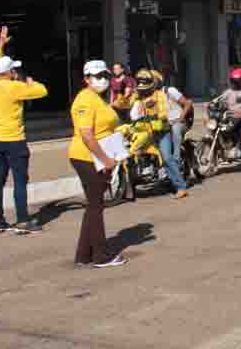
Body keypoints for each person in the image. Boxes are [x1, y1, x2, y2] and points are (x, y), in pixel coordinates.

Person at [0, 26, 48, 235]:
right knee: (19, 181)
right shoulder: (16, 87)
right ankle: (22, 220)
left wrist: (0, 44)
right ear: (10, 72)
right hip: (15, 141)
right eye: (14, 70)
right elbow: (42, 91)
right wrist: (29, 82)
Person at [68, 60, 126, 268]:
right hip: (87, 157)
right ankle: (101, 256)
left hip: (97, 158)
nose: (102, 79)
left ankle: (83, 255)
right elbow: (86, 135)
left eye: (105, 75)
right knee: (96, 206)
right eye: (97, 76)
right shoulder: (85, 100)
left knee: (94, 205)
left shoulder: (98, 99)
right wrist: (106, 159)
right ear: (86, 79)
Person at [130, 69, 189, 199]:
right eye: (140, 82)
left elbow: (163, 113)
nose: (142, 86)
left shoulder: (160, 95)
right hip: (144, 131)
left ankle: (181, 187)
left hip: (162, 130)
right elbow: (132, 109)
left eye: (145, 82)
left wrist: (153, 116)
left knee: (167, 157)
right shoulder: (138, 95)